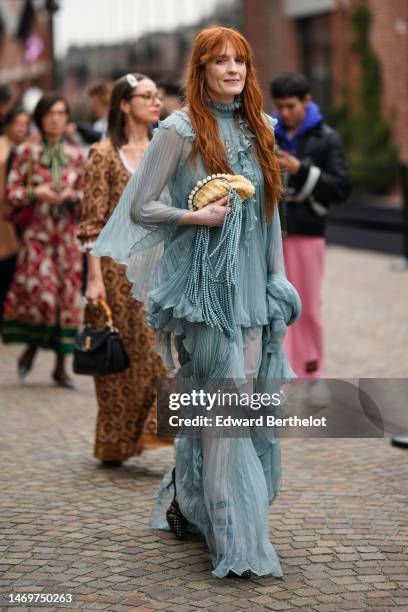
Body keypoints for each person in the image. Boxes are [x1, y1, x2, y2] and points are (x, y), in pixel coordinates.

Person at [93, 27, 300, 579]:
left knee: (234, 407)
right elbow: (143, 207)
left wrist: (279, 282)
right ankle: (235, 541)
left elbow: (270, 213)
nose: (233, 69)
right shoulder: (179, 130)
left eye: (241, 60)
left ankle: (189, 501)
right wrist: (197, 216)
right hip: (204, 294)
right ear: (201, 70)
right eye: (220, 61)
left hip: (254, 290)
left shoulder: (262, 129)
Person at [77, 73, 170, 466]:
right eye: (146, 96)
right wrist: (94, 281)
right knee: (122, 362)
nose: (155, 102)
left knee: (160, 357)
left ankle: (153, 430)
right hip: (117, 273)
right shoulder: (103, 155)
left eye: (157, 95)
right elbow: (90, 225)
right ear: (124, 104)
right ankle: (116, 439)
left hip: (162, 270)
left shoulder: (166, 151)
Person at [271, 73, 352, 405]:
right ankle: (278, 374)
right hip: (273, 233)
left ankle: (313, 373)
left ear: (307, 101)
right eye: (279, 107)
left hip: (308, 234)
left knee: (308, 307)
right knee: (274, 307)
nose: (285, 113)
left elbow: (342, 187)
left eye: (291, 106)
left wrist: (299, 169)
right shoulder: (268, 134)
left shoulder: (327, 138)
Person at [2, 94, 85, 388]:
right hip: (37, 237)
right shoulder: (25, 151)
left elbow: (88, 197)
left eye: (62, 113)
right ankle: (32, 347)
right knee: (43, 297)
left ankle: (61, 368)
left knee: (67, 301)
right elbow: (10, 195)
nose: (56, 119)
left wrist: (71, 196)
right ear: (40, 117)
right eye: (50, 113)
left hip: (67, 239)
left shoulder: (77, 155)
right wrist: (37, 193)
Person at [0, 106, 30, 325]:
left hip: (18, 221)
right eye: (18, 124)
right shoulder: (3, 149)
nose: (22, 129)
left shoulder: (25, 150)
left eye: (25, 125)